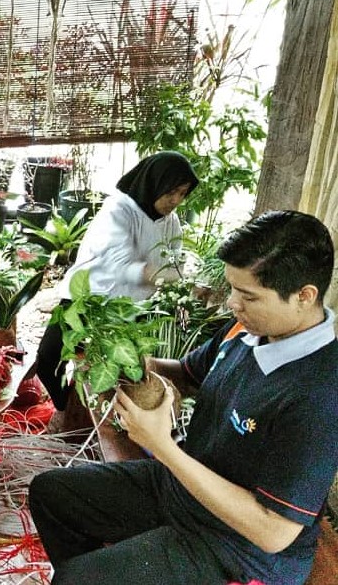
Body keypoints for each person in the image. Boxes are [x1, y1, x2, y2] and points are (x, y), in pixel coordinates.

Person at [29, 210, 338, 584]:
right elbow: (188, 374)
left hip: (237, 547)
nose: (232, 305)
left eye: (248, 295)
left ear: (304, 296)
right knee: (51, 495)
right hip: (186, 490)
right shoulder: (248, 329)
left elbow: (272, 532)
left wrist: (162, 446)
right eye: (232, 289)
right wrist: (130, 362)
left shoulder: (321, 394)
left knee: (78, 580)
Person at [35, 151, 199, 415]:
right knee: (48, 359)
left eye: (182, 193)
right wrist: (162, 275)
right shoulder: (118, 209)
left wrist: (185, 282)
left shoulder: (172, 222)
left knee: (117, 373)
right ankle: (66, 409)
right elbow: (121, 265)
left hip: (128, 310)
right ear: (154, 184)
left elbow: (176, 261)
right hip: (87, 298)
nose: (176, 201)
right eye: (171, 192)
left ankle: (88, 417)